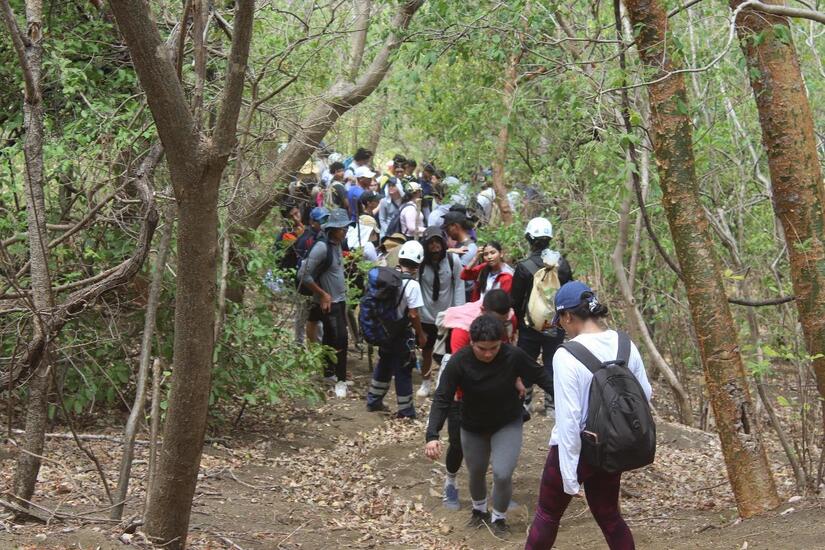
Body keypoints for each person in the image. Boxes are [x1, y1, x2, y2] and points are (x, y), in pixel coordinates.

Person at [524, 282, 651, 550]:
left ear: (568, 316)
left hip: (578, 447)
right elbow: (645, 393)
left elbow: (568, 419)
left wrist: (569, 474)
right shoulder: (625, 344)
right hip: (610, 444)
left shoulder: (567, 354)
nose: (562, 327)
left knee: (547, 515)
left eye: (561, 320)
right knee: (610, 517)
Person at [425, 315, 553, 536]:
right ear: (471, 342)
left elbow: (541, 375)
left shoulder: (513, 355)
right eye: (482, 348)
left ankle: (499, 519)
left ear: (501, 342)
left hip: (507, 422)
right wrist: (432, 435)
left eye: (493, 348)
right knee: (476, 471)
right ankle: (479, 511)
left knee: (502, 473)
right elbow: (442, 397)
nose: (488, 354)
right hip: (472, 425)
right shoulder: (459, 361)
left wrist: (569, 399)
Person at [434, 290, 518, 510]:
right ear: (483, 311)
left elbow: (509, 352)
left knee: (500, 441)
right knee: (458, 443)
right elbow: (462, 371)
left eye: (504, 321)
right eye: (497, 320)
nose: (501, 325)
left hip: (495, 390)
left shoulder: (509, 320)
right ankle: (450, 481)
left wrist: (515, 378)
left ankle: (500, 490)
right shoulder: (462, 332)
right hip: (461, 393)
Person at [510, 217, 573, 417]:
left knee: (526, 360)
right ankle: (552, 404)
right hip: (554, 323)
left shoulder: (524, 267)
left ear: (529, 238)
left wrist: (518, 324)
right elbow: (568, 293)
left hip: (530, 324)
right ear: (550, 238)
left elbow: (515, 300)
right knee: (553, 360)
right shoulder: (562, 265)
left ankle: (525, 401)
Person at [366, 240, 427, 418]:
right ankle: (406, 411)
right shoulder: (413, 285)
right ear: (418, 265)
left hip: (384, 330)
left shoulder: (388, 278)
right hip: (401, 333)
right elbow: (413, 315)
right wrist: (421, 334)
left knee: (384, 363)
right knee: (403, 369)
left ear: (399, 259)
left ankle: (373, 401)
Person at [300, 208, 351, 398]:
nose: (344, 231)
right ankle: (340, 381)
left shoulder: (337, 244)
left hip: (339, 300)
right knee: (341, 340)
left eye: (346, 227)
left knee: (331, 338)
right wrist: (322, 294)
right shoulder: (322, 247)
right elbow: (303, 274)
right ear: (332, 229)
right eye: (341, 228)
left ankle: (329, 374)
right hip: (330, 301)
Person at [417, 227, 464, 397]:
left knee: (448, 353)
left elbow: (459, 285)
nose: (434, 245)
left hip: (447, 315)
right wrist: (417, 314)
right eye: (431, 242)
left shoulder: (453, 260)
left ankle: (443, 383)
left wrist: (458, 312)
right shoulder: (421, 263)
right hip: (427, 315)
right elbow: (416, 287)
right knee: (427, 350)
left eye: (437, 241)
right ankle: (425, 382)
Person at [442, 211, 478, 300]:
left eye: (447, 228)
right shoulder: (459, 245)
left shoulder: (470, 249)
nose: (447, 232)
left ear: (456, 226)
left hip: (465, 294)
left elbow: (458, 274)